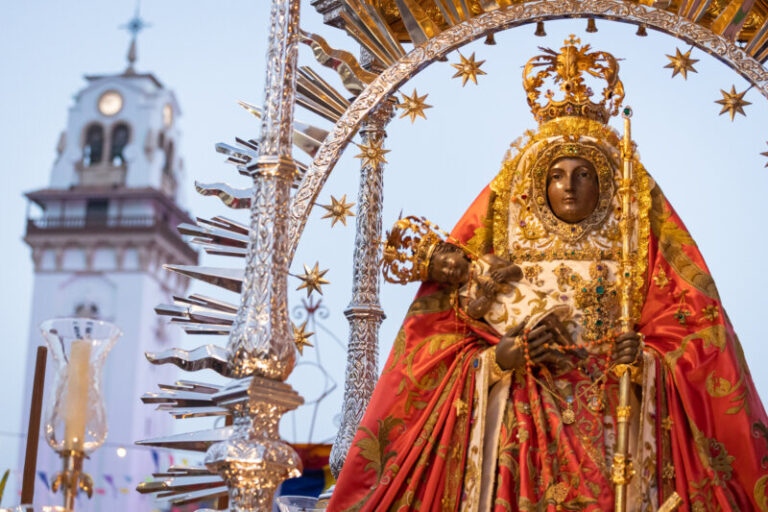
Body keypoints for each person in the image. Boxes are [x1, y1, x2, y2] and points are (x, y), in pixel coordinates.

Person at [327, 37, 768, 512]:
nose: (570, 186)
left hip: (615, 434)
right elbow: (434, 353)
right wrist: (499, 360)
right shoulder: (494, 260)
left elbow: (697, 340)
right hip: (523, 440)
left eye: (584, 173)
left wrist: (645, 362)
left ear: (607, 183)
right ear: (537, 183)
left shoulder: (637, 252)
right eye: (558, 174)